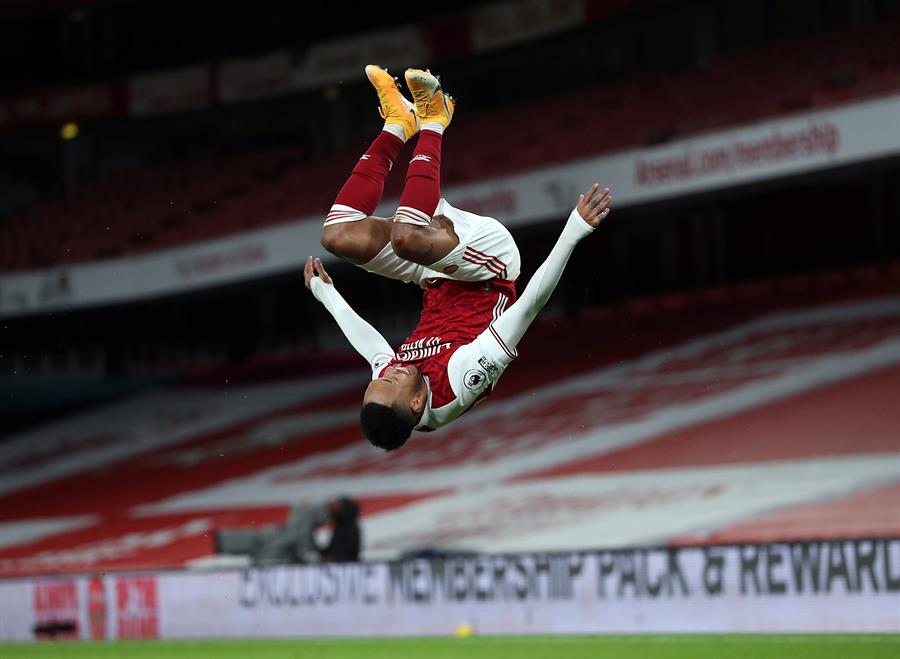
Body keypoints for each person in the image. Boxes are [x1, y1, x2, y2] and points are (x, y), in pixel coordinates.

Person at [306, 65, 612, 451]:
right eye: (391, 380)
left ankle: (398, 123)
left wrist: (327, 295)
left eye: (379, 378)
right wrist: (573, 230)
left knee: (337, 235)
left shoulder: (393, 390)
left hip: (436, 275)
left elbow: (371, 347)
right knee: (405, 237)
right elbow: (531, 304)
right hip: (491, 266)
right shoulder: (461, 381)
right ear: (418, 404)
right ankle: (435, 118)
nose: (389, 370)